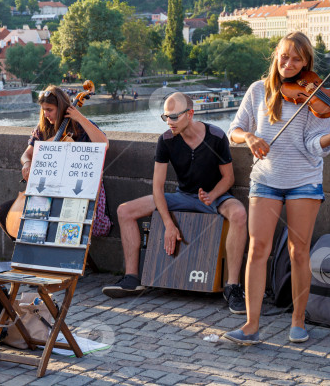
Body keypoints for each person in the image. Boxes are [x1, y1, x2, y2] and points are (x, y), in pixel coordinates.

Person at [223, 32, 330, 345]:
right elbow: (234, 131)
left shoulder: (314, 96)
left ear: (306, 62)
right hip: (265, 180)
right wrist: (250, 138)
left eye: (297, 59)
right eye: (284, 57)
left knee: (299, 252)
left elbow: (313, 146)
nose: (289, 64)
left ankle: (298, 322)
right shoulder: (257, 91)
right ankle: (251, 325)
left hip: (303, 181)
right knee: (257, 250)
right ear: (275, 56)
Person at [102, 92, 248, 315]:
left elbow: (228, 178)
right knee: (125, 211)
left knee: (238, 214)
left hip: (215, 197)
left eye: (174, 117)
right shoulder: (166, 140)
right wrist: (169, 225)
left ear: (190, 114)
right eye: (166, 117)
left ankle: (233, 287)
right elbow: (157, 188)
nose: (169, 122)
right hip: (182, 195)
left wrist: (212, 195)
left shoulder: (216, 136)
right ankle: (132, 278)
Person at [6, 85, 109, 234]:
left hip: (79, 191)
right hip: (50, 191)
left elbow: (104, 145)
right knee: (5, 214)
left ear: (61, 108)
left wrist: (79, 117)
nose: (46, 114)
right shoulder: (43, 129)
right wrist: (27, 163)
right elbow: (26, 154)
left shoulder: (80, 127)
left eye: (50, 110)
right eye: (43, 109)